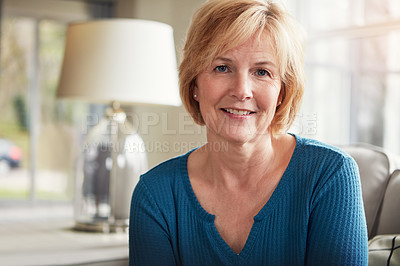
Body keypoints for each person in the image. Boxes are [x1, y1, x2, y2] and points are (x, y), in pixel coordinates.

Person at [129, 0, 368, 265]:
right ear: (194, 83)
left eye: (262, 72)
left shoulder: (330, 175)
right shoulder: (155, 195)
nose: (242, 90)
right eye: (222, 67)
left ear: (282, 92)